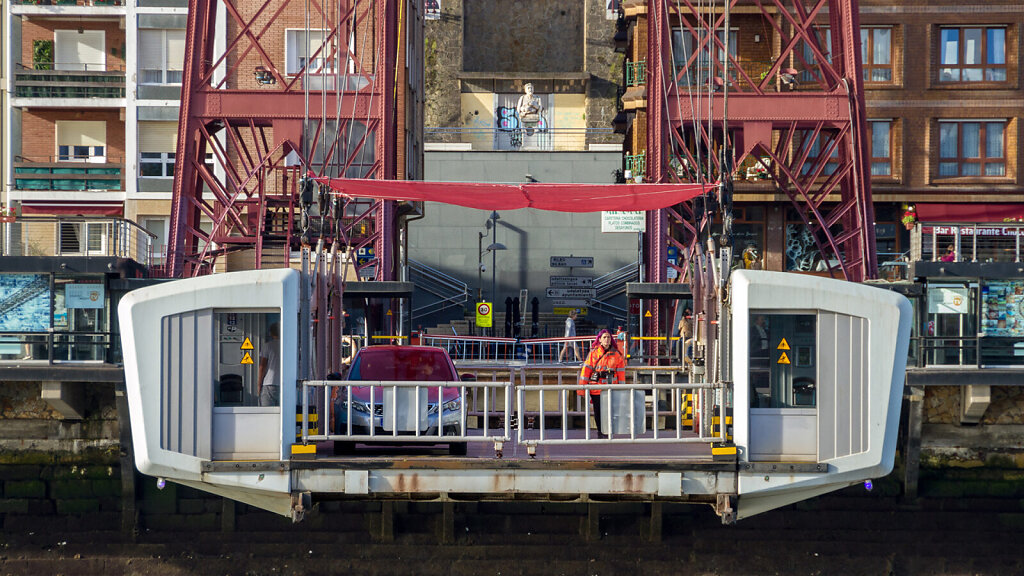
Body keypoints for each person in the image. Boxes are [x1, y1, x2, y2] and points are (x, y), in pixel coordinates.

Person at [578, 329, 626, 437]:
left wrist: (622, 390)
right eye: (604, 337)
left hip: (611, 388)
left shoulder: (616, 355)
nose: (607, 339)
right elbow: (585, 372)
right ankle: (601, 431)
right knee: (598, 412)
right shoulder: (593, 354)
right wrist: (581, 389)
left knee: (610, 411)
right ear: (599, 339)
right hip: (596, 388)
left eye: (608, 337)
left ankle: (607, 431)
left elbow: (621, 374)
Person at [258, 322, 280, 406]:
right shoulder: (287, 345)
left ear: (270, 333)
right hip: (283, 383)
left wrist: (259, 384)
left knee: (267, 413)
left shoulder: (267, 346)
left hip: (269, 382)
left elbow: (262, 366)